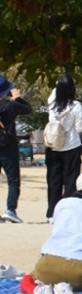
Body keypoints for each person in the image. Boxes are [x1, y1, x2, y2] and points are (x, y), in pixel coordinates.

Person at [45, 75, 82, 219]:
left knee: (53, 181)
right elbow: (79, 128)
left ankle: (52, 213)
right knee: (70, 181)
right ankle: (67, 213)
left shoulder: (51, 103)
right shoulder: (76, 106)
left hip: (53, 146)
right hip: (72, 146)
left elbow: (55, 92)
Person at [0, 74, 33, 224]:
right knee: (13, 180)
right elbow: (28, 109)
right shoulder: (10, 105)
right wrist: (17, 98)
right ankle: (10, 209)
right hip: (8, 146)